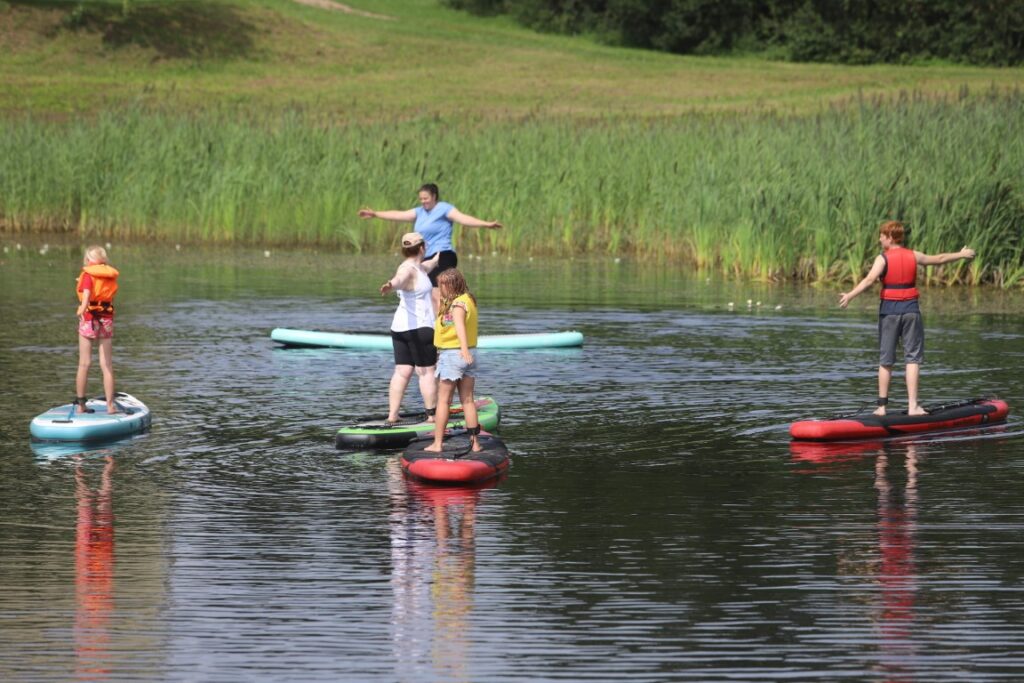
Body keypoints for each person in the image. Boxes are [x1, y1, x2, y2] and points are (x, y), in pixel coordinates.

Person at [839, 220, 975, 416]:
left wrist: (850, 296)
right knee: (912, 358)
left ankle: (882, 408)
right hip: (911, 310)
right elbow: (940, 258)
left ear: (890, 237)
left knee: (886, 360)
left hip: (889, 312)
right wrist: (961, 254)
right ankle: (913, 407)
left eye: (882, 236)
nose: (879, 239)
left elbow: (869, 280)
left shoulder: (882, 258)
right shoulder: (914, 255)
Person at [358, 183, 501, 306]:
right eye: (420, 199)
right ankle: (437, 322)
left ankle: (443, 324)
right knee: (426, 291)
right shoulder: (419, 212)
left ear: (434, 196)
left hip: (444, 255)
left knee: (436, 290)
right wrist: (375, 214)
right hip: (426, 258)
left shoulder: (444, 208)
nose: (423, 201)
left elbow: (463, 219)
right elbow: (398, 215)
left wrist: (486, 224)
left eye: (426, 198)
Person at [380, 232, 440, 424]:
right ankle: (432, 416)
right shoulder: (408, 270)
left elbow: (428, 265)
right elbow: (400, 278)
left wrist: (439, 258)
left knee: (402, 371)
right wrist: (391, 285)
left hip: (399, 329)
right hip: (420, 329)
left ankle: (392, 415)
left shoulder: (419, 267)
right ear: (422, 247)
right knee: (426, 372)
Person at [424, 269, 481, 453]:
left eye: (442, 286)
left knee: (443, 401)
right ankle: (475, 444)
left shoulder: (457, 305)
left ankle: (437, 444)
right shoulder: (468, 299)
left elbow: (459, 328)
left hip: (454, 354)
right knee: (468, 400)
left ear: (450, 285)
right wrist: (467, 352)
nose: (440, 289)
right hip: (470, 355)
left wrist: (463, 350)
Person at [75, 245, 120, 414]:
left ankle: (81, 405)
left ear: (88, 260)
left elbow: (86, 296)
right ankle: (110, 406)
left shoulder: (87, 275)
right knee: (106, 364)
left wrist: (81, 309)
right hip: (106, 319)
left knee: (84, 363)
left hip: (89, 319)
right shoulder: (109, 276)